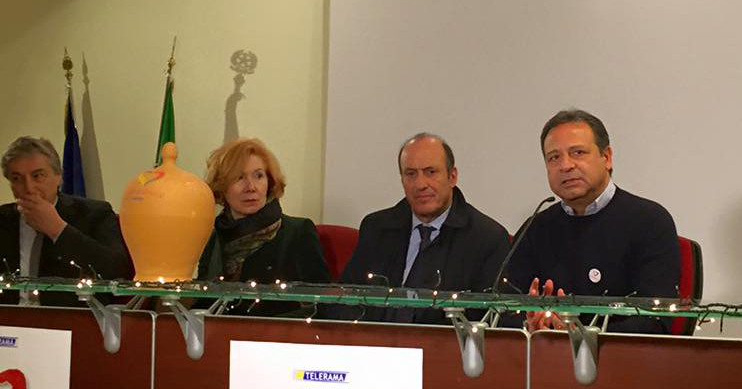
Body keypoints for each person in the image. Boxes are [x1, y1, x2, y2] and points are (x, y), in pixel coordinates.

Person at [504, 109, 680, 333]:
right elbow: (502, 308)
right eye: (554, 157)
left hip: (617, 354)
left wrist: (581, 335)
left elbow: (656, 320)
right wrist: (529, 323)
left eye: (577, 153)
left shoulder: (650, 222)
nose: (566, 165)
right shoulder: (536, 228)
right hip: (546, 352)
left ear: (606, 157)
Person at [338, 132, 511, 324]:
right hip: (376, 339)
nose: (420, 184)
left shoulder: (487, 238)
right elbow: (344, 302)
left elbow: (490, 321)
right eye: (411, 174)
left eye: (431, 172)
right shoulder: (377, 228)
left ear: (452, 177)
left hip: (446, 342)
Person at [197, 138, 329, 315]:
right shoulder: (215, 236)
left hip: (278, 331)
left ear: (269, 182)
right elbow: (202, 303)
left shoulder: (298, 232)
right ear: (222, 186)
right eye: (239, 178)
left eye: (258, 176)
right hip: (219, 330)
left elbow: (321, 307)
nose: (251, 187)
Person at [0, 136, 132, 306]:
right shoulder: (3, 219)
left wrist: (59, 230)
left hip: (71, 318)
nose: (29, 188)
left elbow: (117, 271)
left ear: (58, 177)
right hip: (10, 318)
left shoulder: (94, 213)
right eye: (17, 179)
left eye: (37, 176)